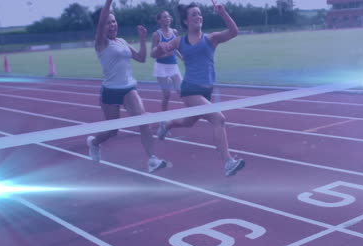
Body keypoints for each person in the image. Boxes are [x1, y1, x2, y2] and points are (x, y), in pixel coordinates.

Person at [152, 2, 245, 177]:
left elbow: (234, 32)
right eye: (194, 14)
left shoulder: (211, 38)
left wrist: (223, 13)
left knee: (188, 122)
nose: (198, 17)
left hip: (206, 91)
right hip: (189, 89)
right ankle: (228, 162)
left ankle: (169, 123)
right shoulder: (180, 41)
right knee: (218, 119)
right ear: (186, 21)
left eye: (199, 14)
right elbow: (154, 54)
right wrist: (160, 49)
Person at [87, 0, 167, 173]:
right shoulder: (101, 43)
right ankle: (94, 142)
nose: (112, 25)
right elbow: (101, 21)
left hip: (128, 88)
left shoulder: (122, 41)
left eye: (114, 21)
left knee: (143, 122)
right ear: (101, 26)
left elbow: (141, 58)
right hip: (110, 92)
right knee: (112, 131)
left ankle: (152, 159)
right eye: (108, 22)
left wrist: (143, 39)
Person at [151, 10, 183, 112]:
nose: (167, 18)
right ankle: (163, 120)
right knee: (166, 95)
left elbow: (176, 48)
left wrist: (182, 57)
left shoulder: (174, 32)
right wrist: (164, 54)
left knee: (181, 90)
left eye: (168, 16)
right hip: (161, 67)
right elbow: (152, 53)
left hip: (173, 65)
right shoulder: (156, 34)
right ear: (159, 21)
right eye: (164, 17)